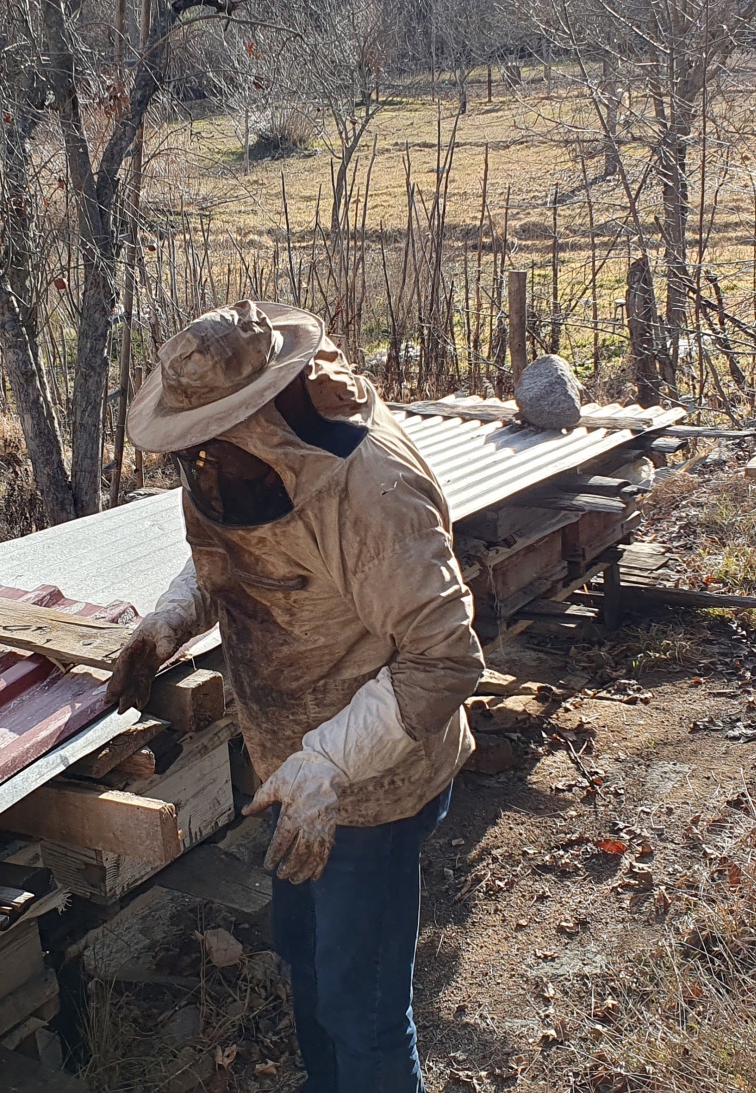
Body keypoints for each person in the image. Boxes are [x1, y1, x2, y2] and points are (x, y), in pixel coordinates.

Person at [106, 300, 485, 1093]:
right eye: (188, 447)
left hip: (373, 787)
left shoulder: (370, 489)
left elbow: (445, 658)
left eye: (208, 441)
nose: (197, 460)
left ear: (264, 410)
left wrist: (327, 765)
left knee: (365, 1011)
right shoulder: (222, 462)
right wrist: (167, 623)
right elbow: (226, 554)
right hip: (294, 769)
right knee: (308, 965)